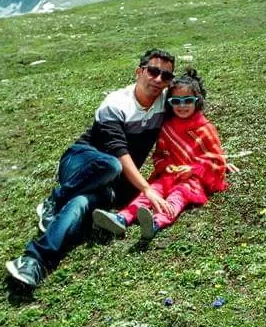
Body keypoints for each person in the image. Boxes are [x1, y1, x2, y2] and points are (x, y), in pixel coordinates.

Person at [5, 48, 176, 289]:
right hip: (81, 163)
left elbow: (190, 115)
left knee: (81, 204)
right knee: (110, 165)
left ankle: (34, 260)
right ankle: (55, 199)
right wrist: (147, 189)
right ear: (139, 71)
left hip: (115, 182)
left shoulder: (165, 102)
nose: (159, 79)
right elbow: (119, 151)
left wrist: (214, 159)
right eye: (153, 71)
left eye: (166, 76)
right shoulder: (116, 103)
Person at [92, 69, 236, 240]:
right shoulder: (167, 128)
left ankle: (156, 222)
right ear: (170, 103)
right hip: (169, 174)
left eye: (188, 100)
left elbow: (215, 158)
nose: (182, 106)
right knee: (152, 191)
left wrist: (193, 169)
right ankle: (122, 218)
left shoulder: (205, 128)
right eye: (176, 101)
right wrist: (167, 165)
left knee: (179, 195)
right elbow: (160, 154)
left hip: (194, 179)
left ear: (197, 101)